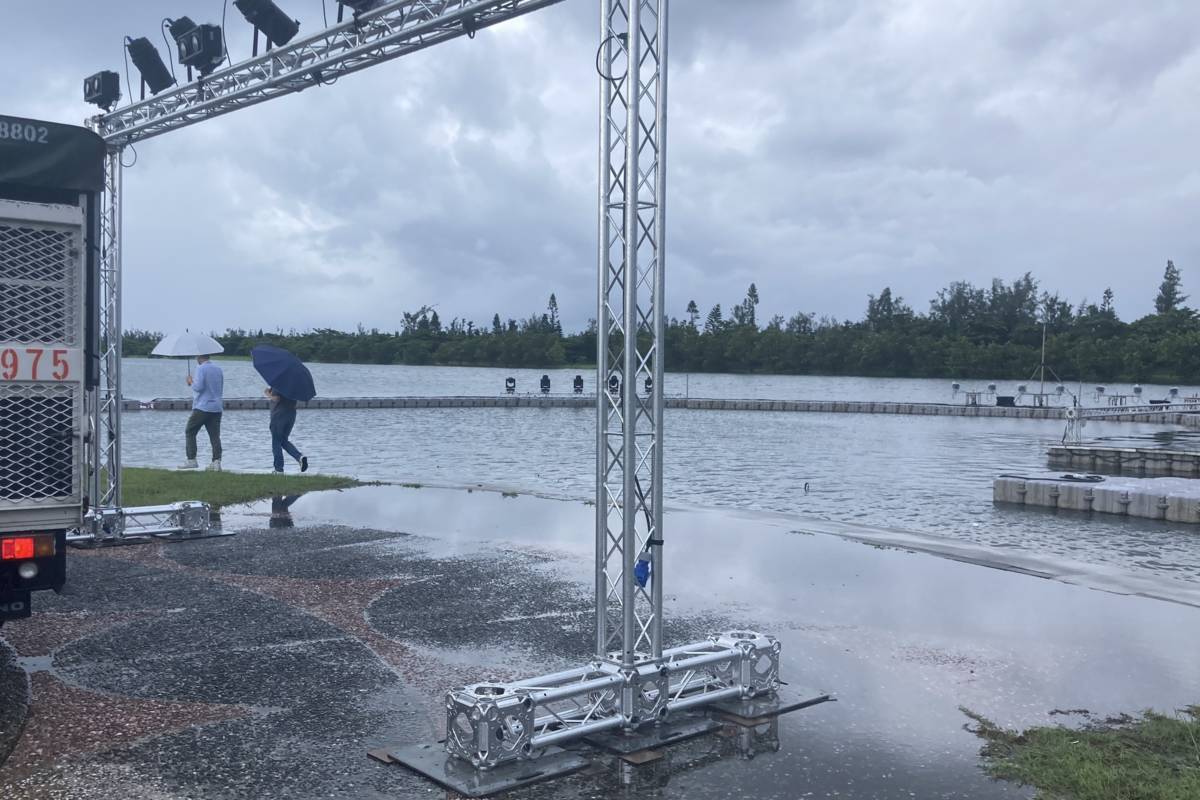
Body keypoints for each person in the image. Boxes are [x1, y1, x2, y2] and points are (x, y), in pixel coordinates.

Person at [180, 355, 223, 470]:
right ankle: (216, 461)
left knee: (190, 431)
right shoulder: (218, 369)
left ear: (199, 356)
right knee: (214, 436)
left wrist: (190, 381)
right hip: (217, 407)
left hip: (203, 407)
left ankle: (191, 459)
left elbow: (198, 387)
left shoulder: (200, 368)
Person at [266, 387, 308, 473]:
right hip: (291, 415)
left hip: (279, 416)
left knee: (276, 442)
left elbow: (276, 398)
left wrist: (268, 394)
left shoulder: (279, 383)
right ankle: (299, 457)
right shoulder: (294, 385)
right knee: (283, 441)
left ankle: (278, 469)